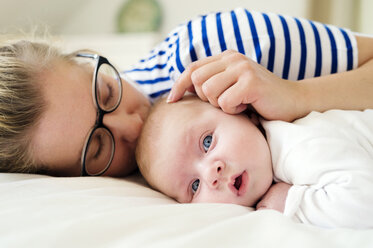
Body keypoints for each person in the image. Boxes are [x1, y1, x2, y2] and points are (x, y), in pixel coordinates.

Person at [1, 8, 373, 177]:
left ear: (91, 59)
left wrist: (298, 96)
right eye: (98, 147)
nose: (130, 124)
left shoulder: (220, 45)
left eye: (107, 89)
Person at [135, 94, 373, 228]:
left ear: (245, 113)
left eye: (207, 142)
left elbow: (365, 201)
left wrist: (292, 203)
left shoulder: (297, 144)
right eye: (194, 186)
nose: (211, 174)